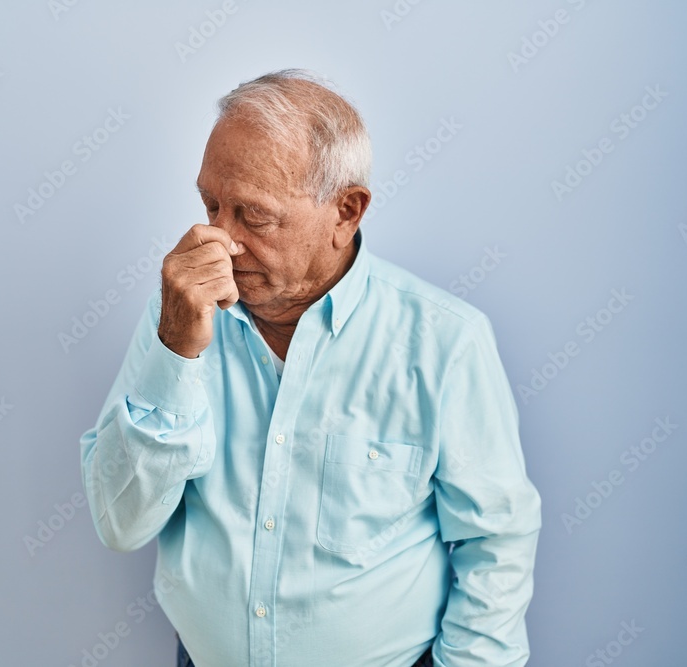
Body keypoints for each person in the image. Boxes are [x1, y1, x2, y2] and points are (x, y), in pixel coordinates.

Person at [80, 69, 542, 667]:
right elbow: (120, 524)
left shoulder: (445, 342)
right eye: (211, 205)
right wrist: (175, 352)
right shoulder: (177, 315)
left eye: (254, 216)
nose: (218, 240)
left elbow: (495, 545)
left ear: (346, 212)